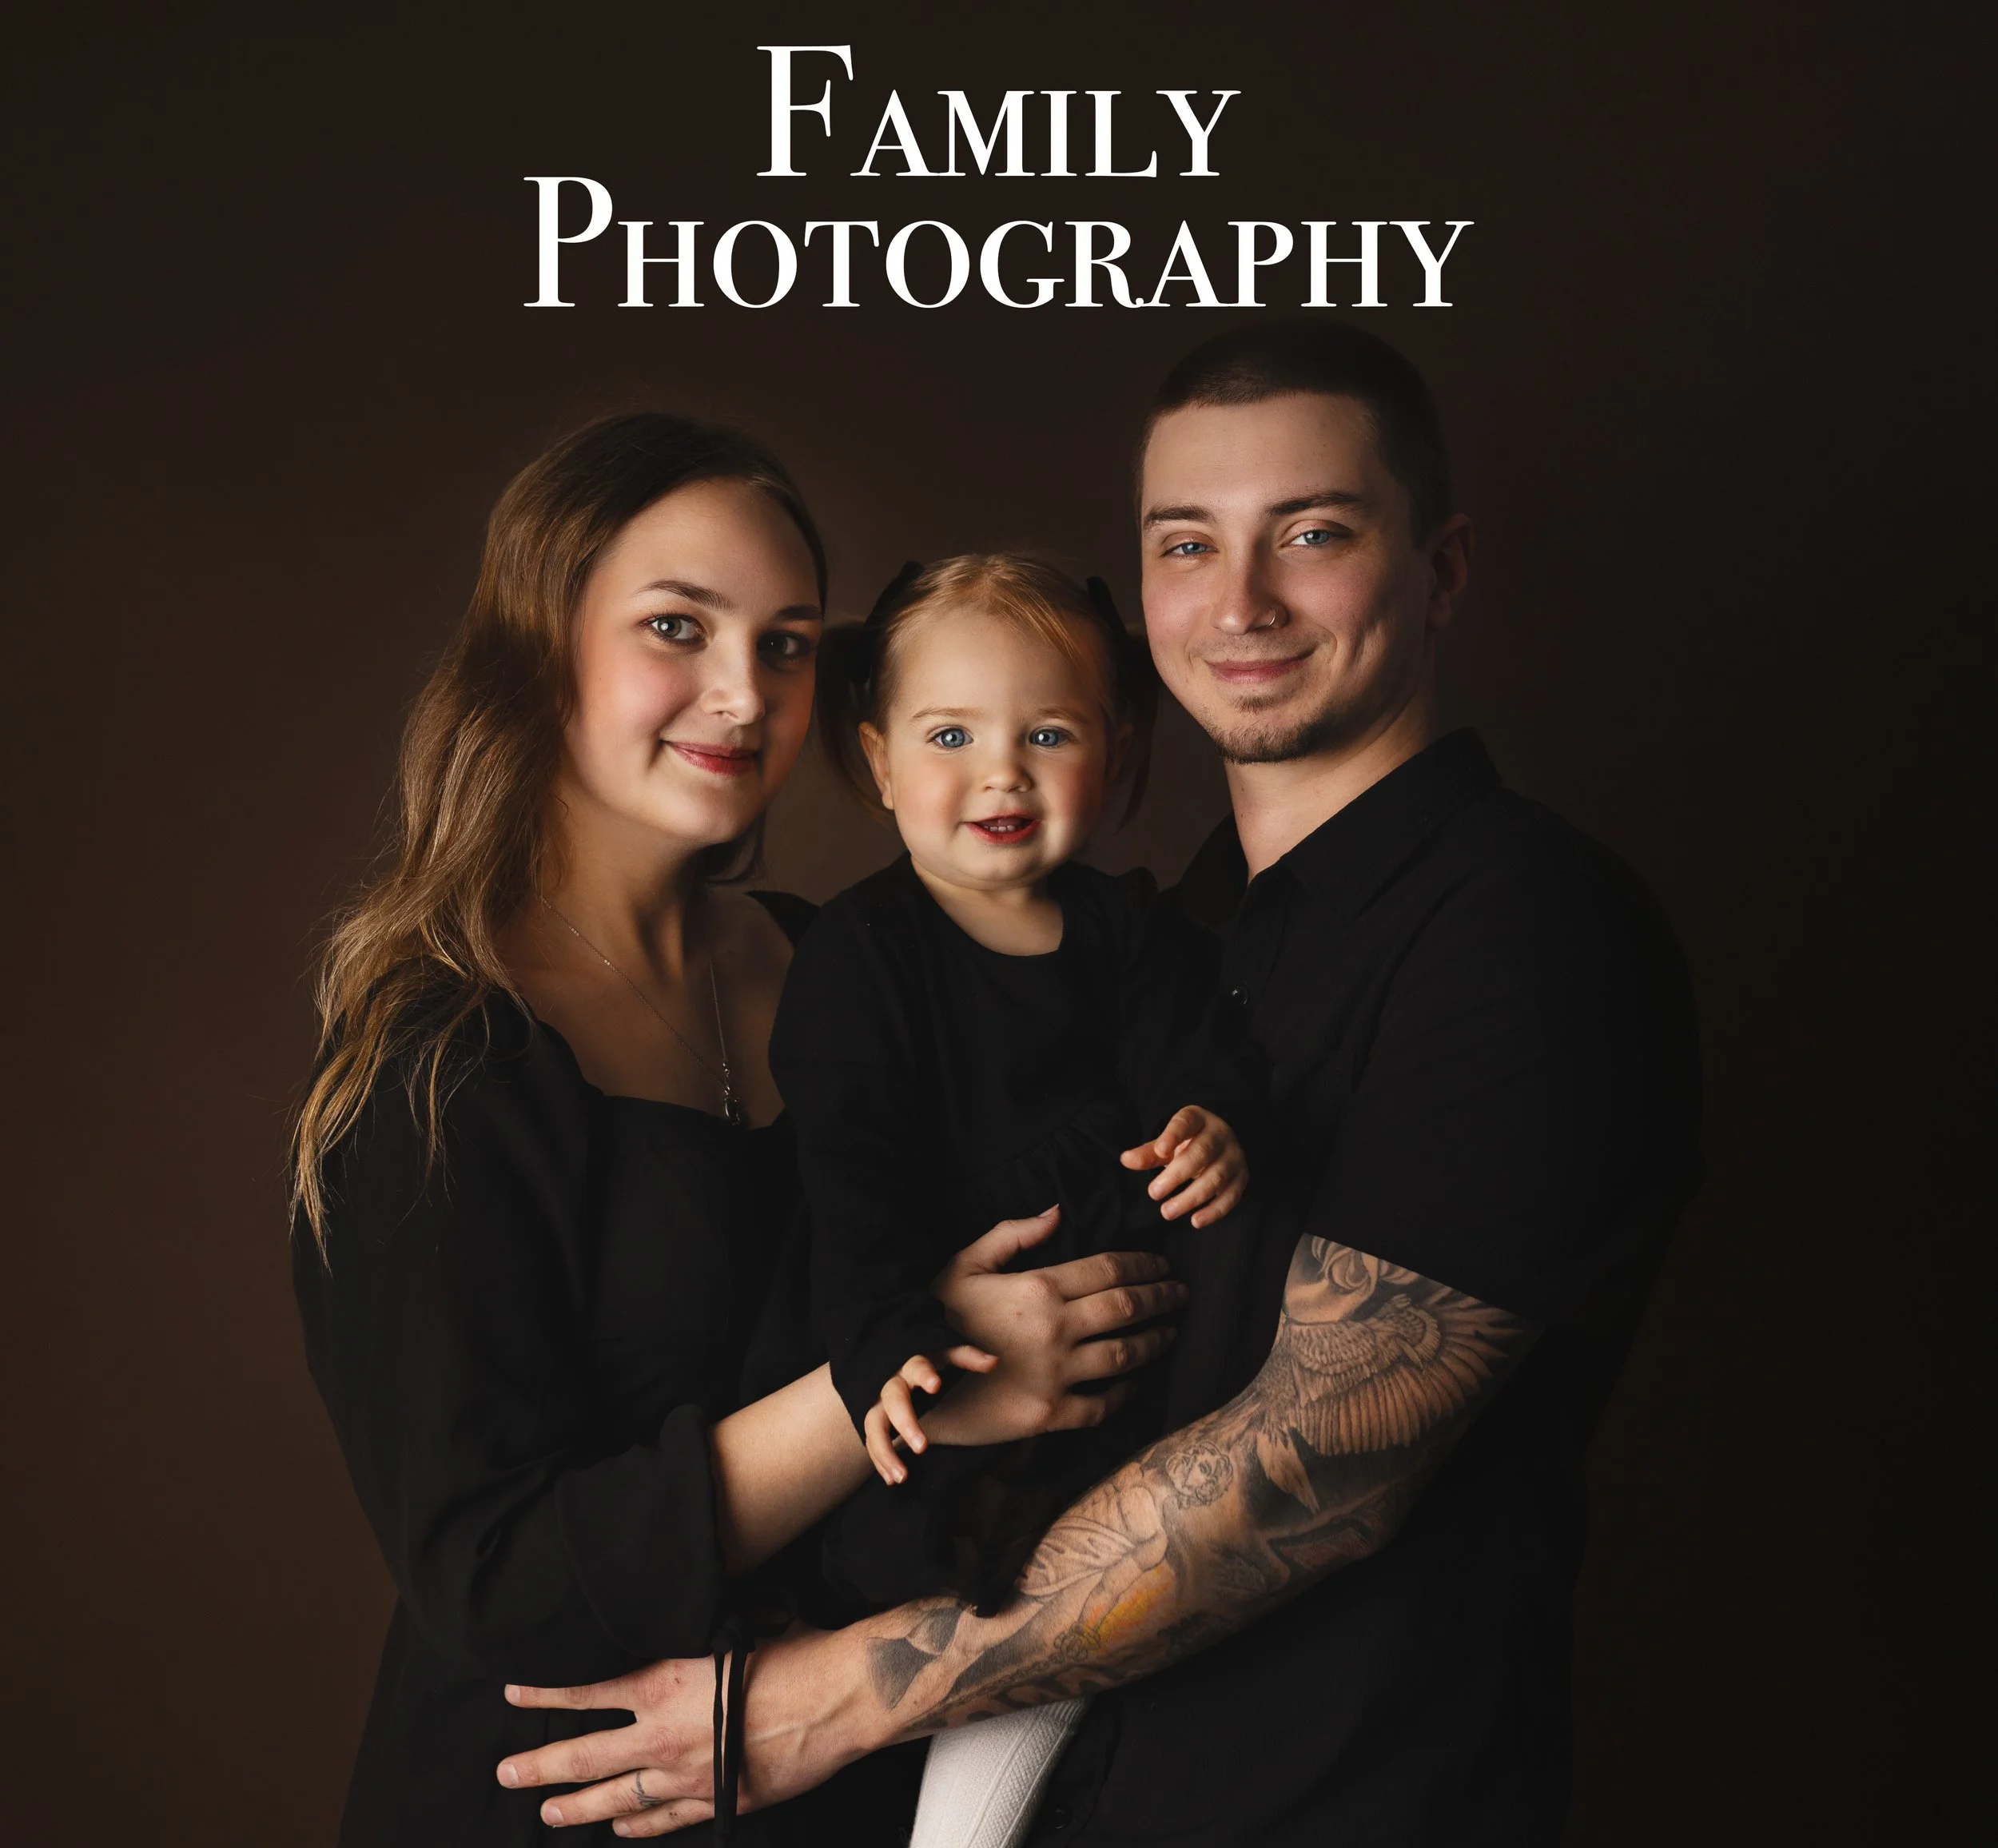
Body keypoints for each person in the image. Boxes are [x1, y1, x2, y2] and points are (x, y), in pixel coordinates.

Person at [489, 321, 1703, 1848]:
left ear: (1442, 567)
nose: (1242, 602)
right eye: (1187, 544)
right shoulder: (1174, 929)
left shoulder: (1517, 927)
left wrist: (826, 1697)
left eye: (1314, 534)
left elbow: (1315, 1467)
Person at [289, 412, 1184, 1846]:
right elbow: (491, 1574)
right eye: (675, 628)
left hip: (837, 1775)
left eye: (783, 643)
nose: (741, 693)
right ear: (541, 650)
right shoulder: (442, 1063)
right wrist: (909, 1378)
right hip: (563, 1802)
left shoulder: (842, 963)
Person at [773, 554, 1260, 1848]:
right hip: (966, 1403)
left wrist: (1215, 1125)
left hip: (1137, 1395)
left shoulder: (1129, 938)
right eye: (951, 736)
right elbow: (849, 1182)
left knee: (1130, 1667)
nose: (1002, 774)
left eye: (1048, 734)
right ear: (877, 763)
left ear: (1122, 759)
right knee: (988, 1663)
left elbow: (1202, 1069)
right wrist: (889, 1348)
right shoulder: (861, 961)